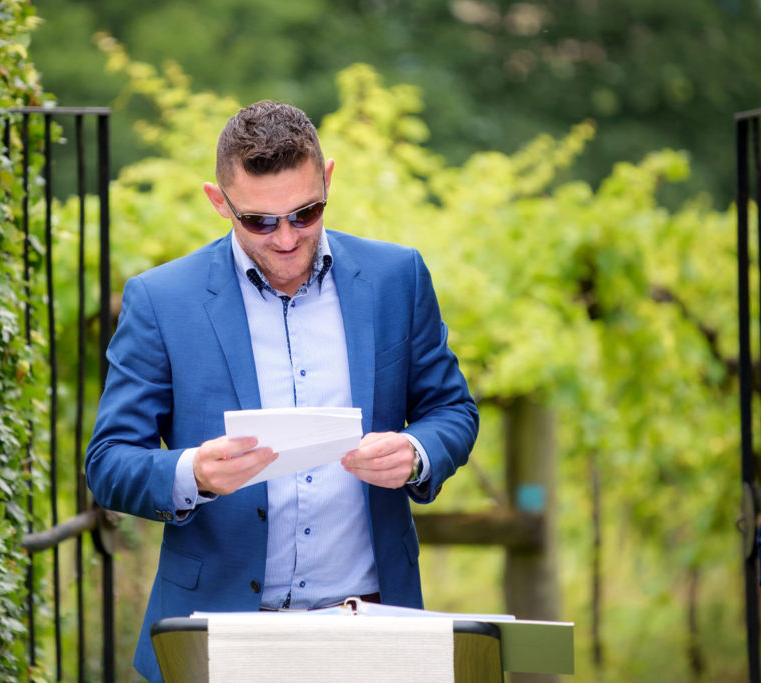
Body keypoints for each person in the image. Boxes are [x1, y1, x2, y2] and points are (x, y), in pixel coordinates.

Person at [85, 100, 478, 682]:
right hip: (219, 635)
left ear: (328, 181)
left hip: (370, 627)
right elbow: (108, 462)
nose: (288, 238)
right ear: (219, 202)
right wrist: (191, 474)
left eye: (306, 212)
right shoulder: (161, 299)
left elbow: (452, 409)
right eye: (260, 221)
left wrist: (417, 454)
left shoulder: (398, 277)